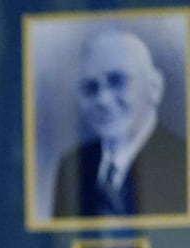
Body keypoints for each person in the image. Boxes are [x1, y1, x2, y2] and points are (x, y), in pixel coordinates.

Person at [50, 27, 188, 218]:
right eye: (91, 87)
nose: (103, 100)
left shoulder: (183, 160)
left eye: (118, 81)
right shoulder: (72, 167)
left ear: (154, 87)